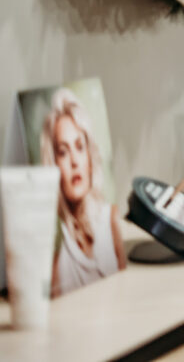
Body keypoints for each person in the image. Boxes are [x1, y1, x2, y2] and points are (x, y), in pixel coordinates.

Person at [40, 89, 125, 296]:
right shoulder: (55, 258)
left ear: (89, 156)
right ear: (54, 164)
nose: (74, 161)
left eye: (79, 147)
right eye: (63, 151)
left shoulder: (112, 220)